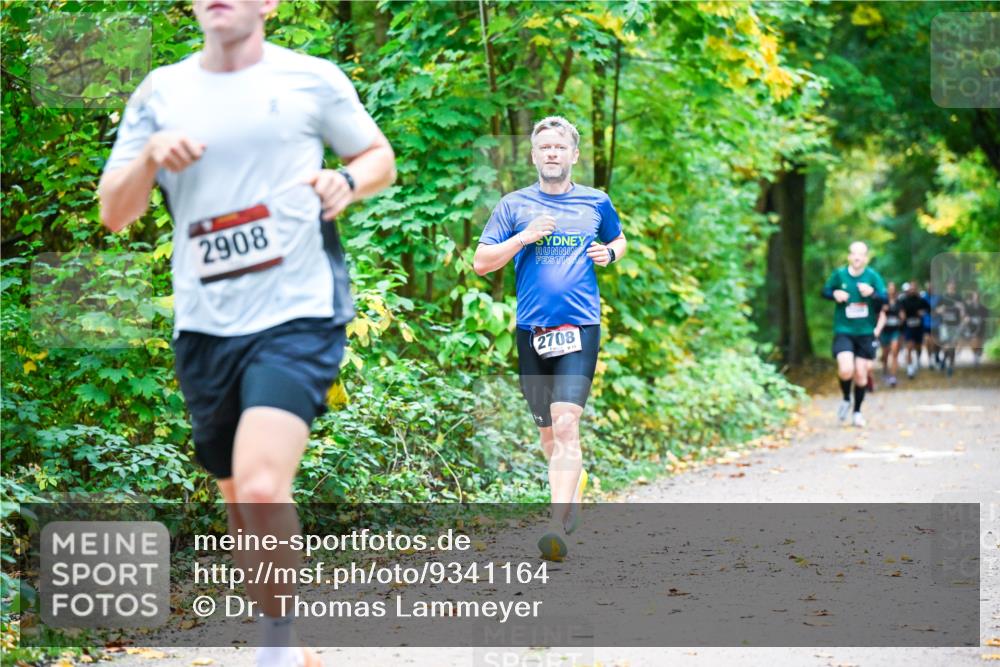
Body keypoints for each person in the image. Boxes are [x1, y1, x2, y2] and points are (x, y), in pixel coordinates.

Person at [97, 2, 396, 665]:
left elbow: (379, 157)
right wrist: (147, 153)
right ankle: (286, 633)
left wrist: (346, 180)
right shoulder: (160, 93)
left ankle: (276, 648)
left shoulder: (309, 79)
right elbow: (116, 213)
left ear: (270, 4)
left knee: (262, 485)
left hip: (300, 311)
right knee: (240, 499)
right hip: (205, 326)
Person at [473, 116, 626, 561]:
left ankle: (555, 525)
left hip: (580, 329)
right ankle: (571, 491)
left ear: (574, 155)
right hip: (532, 333)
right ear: (534, 155)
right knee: (547, 436)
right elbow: (483, 263)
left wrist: (610, 253)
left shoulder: (596, 202)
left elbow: (619, 241)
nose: (553, 153)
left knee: (566, 424)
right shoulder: (513, 205)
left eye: (561, 147)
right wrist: (524, 237)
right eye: (545, 147)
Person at [820, 241, 887, 428]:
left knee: (861, 375)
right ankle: (845, 398)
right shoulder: (839, 275)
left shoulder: (872, 276)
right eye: (854, 254)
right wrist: (835, 294)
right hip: (844, 330)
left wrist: (872, 293)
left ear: (866, 258)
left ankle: (857, 412)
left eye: (861, 254)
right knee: (845, 369)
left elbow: (885, 299)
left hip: (865, 332)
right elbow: (824, 291)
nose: (857, 257)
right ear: (849, 256)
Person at [899, 281, 931, 379]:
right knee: (909, 347)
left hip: (918, 327)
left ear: (916, 289)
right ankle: (910, 369)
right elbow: (900, 310)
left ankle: (918, 358)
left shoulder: (921, 300)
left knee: (918, 347)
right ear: (909, 290)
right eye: (911, 289)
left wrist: (923, 312)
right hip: (909, 327)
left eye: (914, 289)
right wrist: (902, 314)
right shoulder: (904, 300)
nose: (912, 290)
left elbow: (929, 309)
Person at [935, 281, 965, 376]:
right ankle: (944, 359)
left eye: (953, 284)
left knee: (952, 346)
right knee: (946, 346)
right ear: (947, 286)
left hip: (955, 325)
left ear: (955, 286)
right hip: (945, 325)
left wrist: (961, 310)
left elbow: (963, 311)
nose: (952, 286)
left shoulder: (958, 297)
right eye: (950, 284)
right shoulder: (942, 297)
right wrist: (941, 309)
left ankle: (950, 366)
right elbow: (936, 310)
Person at [878, 281, 904, 386]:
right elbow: (877, 315)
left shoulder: (899, 302)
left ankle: (893, 376)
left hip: (895, 330)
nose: (891, 290)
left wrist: (901, 319)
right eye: (889, 288)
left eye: (893, 288)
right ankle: (885, 370)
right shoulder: (883, 301)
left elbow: (903, 315)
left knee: (894, 351)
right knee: (885, 354)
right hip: (885, 330)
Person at [962, 290, 989, 366]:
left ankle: (978, 353)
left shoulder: (983, 308)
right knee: (973, 342)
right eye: (974, 297)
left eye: (977, 297)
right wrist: (967, 319)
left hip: (981, 328)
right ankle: (975, 356)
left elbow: (986, 317)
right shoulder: (969, 307)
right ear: (973, 298)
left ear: (979, 298)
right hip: (972, 328)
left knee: (980, 343)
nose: (976, 298)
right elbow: (965, 316)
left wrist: (981, 320)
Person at [923, 281, 941, 370]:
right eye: (928, 287)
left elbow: (943, 308)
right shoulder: (923, 297)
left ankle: (936, 355)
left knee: (935, 343)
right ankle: (930, 359)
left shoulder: (938, 297)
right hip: (927, 323)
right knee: (928, 342)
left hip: (936, 324)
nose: (930, 288)